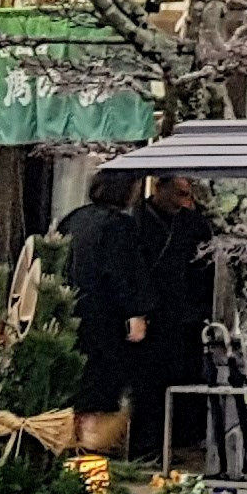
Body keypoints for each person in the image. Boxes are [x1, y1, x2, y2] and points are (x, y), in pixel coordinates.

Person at [129, 175, 220, 464]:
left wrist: (204, 310)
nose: (185, 199)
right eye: (179, 193)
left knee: (186, 379)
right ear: (159, 188)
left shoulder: (195, 224)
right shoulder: (136, 221)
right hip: (151, 316)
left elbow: (207, 270)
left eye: (188, 193)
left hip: (187, 317)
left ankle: (184, 442)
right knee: (148, 384)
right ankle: (146, 445)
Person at [54, 172, 147, 445]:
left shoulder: (73, 219)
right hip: (104, 317)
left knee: (75, 386)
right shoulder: (119, 225)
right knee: (101, 387)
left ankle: (71, 445)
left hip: (68, 312)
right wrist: (136, 312)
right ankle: (94, 451)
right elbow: (122, 273)